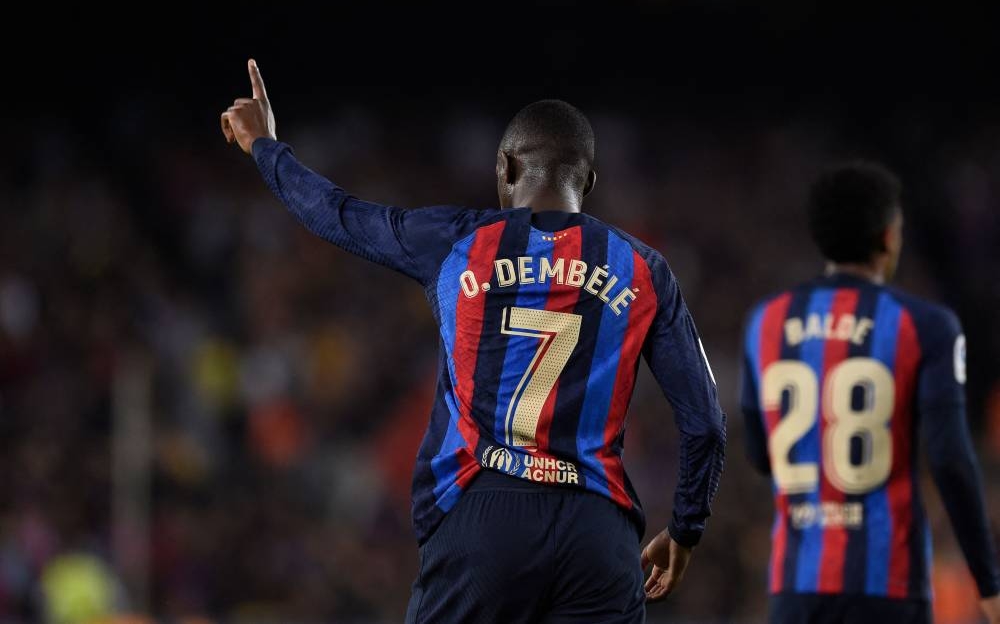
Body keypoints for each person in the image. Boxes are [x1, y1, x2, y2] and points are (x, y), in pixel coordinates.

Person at [221, 59, 725, 623]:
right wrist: (685, 528)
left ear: (505, 168)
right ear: (588, 182)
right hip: (598, 532)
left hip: (483, 515)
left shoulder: (456, 241)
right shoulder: (644, 269)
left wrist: (265, 147)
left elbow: (337, 215)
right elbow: (705, 422)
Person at [739, 161, 1000, 624]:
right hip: (888, 583)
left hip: (796, 585)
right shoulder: (924, 324)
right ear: (888, 236)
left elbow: (761, 455)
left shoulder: (767, 321)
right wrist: (988, 580)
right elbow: (950, 459)